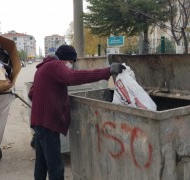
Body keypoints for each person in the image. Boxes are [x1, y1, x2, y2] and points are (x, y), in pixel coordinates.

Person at [28, 45, 125, 180]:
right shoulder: (56, 65)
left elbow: (31, 93)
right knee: (56, 167)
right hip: (47, 124)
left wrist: (47, 101)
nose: (71, 66)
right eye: (72, 62)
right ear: (66, 59)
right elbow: (72, 77)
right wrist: (106, 71)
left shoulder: (42, 68)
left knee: (41, 164)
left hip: (39, 122)